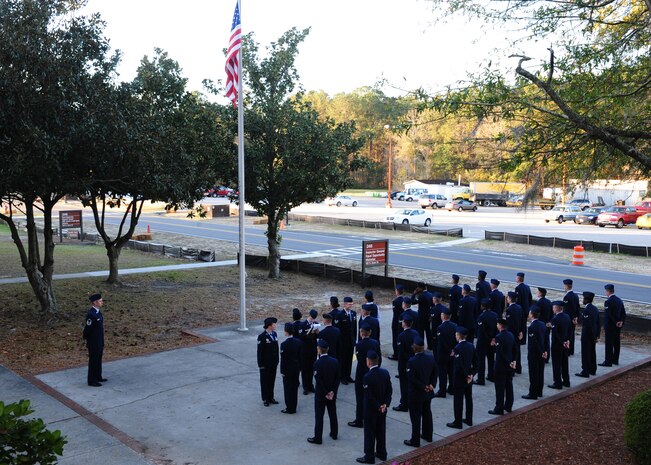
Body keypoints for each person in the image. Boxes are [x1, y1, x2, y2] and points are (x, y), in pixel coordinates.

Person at [356, 350, 392, 464]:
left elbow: (369, 397)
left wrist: (378, 406)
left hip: (371, 410)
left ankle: (369, 456)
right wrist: (385, 404)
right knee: (381, 431)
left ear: (369, 362)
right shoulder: (385, 373)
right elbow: (389, 391)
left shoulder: (367, 377)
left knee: (370, 433)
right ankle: (382, 453)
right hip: (383, 409)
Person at [404, 336, 437, 448]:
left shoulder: (412, 361)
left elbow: (411, 378)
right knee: (427, 413)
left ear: (414, 348)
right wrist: (431, 385)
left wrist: (423, 387)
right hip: (427, 392)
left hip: (416, 394)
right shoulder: (431, 358)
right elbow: (434, 373)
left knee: (416, 417)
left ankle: (415, 440)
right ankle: (428, 435)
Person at [349, 323, 381, 429]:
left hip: (362, 373)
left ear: (362, 332)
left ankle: (359, 419)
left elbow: (360, 360)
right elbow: (379, 358)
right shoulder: (375, 343)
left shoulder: (359, 345)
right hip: (374, 372)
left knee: (360, 398)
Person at [308, 339, 340, 445]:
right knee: (332, 413)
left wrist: (326, 392)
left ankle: (318, 437)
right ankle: (334, 433)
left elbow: (319, 381)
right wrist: (332, 392)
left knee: (319, 416)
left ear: (318, 350)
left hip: (321, 395)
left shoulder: (317, 363)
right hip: (332, 394)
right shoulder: (334, 361)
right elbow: (337, 378)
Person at [447, 327, 478, 429]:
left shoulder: (458, 348)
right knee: (468, 398)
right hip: (469, 377)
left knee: (458, 400)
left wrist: (466, 376)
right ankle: (469, 419)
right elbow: (476, 363)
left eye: (456, 335)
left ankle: (458, 422)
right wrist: (471, 375)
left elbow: (459, 366)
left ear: (459, 336)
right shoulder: (471, 346)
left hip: (460, 378)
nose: (455, 336)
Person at [489, 318, 516, 415]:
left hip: (501, 366)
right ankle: (508, 406)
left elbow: (500, 352)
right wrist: (513, 361)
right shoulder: (511, 335)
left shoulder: (499, 337)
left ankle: (499, 408)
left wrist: (508, 362)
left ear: (500, 325)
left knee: (500, 388)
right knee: (509, 385)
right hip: (510, 366)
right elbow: (515, 349)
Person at [393, 313, 418, 412]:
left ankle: (404, 404)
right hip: (414, 362)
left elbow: (401, 353)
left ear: (404, 324)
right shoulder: (415, 333)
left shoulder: (401, 336)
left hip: (405, 364)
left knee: (404, 384)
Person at [83, 293, 106, 387]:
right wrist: (89, 340)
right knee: (93, 360)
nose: (102, 302)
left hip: (99, 341)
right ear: (94, 302)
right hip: (93, 342)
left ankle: (98, 376)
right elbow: (87, 329)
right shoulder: (91, 315)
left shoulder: (98, 313)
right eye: (100, 301)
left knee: (98, 359)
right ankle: (92, 380)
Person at [522, 309, 547, 400]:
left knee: (533, 374)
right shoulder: (542, 324)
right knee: (540, 373)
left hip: (534, 354)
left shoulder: (532, 327)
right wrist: (545, 351)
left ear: (532, 315)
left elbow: (534, 342)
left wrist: (541, 352)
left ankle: (533, 393)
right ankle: (539, 391)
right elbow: (546, 339)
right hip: (542, 353)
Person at [600, 284, 626, 367]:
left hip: (611, 326)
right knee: (616, 343)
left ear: (608, 291)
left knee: (609, 344)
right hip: (618, 326)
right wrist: (621, 321)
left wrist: (615, 322)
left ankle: (608, 361)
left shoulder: (608, 301)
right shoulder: (619, 300)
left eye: (606, 291)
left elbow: (609, 315)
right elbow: (623, 312)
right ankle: (615, 360)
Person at [577, 291, 601, 378]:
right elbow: (598, 323)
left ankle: (585, 371)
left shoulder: (587, 310)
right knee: (592, 352)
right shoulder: (595, 308)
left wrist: (592, 336)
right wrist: (597, 335)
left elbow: (588, 325)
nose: (583, 300)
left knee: (586, 353)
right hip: (593, 335)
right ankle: (592, 369)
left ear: (586, 299)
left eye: (583, 298)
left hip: (587, 335)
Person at [280, 322, 303, 413]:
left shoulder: (284, 344)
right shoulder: (298, 342)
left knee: (288, 389)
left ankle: (289, 407)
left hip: (287, 369)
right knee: (294, 388)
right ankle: (294, 406)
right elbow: (300, 356)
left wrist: (282, 371)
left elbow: (283, 359)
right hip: (296, 368)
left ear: (286, 332)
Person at [548, 301, 571, 390]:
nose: (553, 309)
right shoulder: (567, 316)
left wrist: (562, 342)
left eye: (554, 307)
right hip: (565, 344)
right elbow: (570, 330)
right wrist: (567, 341)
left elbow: (556, 334)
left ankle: (557, 382)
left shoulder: (555, 319)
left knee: (557, 364)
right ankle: (566, 381)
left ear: (557, 308)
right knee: (565, 362)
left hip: (557, 345)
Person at [435, 308, 457, 398]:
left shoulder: (440, 328)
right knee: (451, 371)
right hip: (452, 353)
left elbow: (441, 342)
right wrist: (453, 350)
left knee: (442, 373)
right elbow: (456, 339)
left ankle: (442, 391)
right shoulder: (455, 325)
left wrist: (448, 350)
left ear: (443, 316)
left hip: (443, 354)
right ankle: (452, 389)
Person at [257, 317, 280, 406]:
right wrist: (261, 364)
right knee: (265, 381)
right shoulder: (262, 337)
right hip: (265, 364)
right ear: (269, 325)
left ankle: (271, 397)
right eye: (274, 324)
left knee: (271, 380)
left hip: (273, 363)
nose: (275, 325)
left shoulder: (274, 334)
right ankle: (265, 398)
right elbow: (260, 352)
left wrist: (277, 360)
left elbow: (276, 348)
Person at [475, 298, 498, 385]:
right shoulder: (495, 315)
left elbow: (482, 331)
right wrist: (493, 339)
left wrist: (489, 339)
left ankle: (481, 379)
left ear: (483, 306)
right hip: (492, 341)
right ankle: (491, 376)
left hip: (482, 342)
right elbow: (497, 328)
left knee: (481, 361)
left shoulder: (481, 317)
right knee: (491, 359)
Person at [339, 296, 358, 384]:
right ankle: (342, 377)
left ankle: (348, 375)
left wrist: (355, 340)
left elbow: (354, 328)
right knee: (343, 360)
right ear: (345, 304)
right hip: (343, 342)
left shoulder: (353, 314)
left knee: (349, 359)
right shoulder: (340, 315)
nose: (351, 305)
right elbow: (339, 330)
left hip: (351, 341)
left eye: (352, 304)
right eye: (349, 304)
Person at [300, 309, 319, 394]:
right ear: (309, 316)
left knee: (312, 368)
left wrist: (317, 333)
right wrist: (309, 333)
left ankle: (310, 385)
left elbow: (317, 336)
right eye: (312, 318)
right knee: (305, 369)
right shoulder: (303, 325)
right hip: (305, 350)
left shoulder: (315, 324)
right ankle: (305, 387)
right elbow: (301, 336)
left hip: (313, 349)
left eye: (314, 318)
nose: (313, 320)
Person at [533, 287, 553, 364]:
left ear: (541, 293)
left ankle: (542, 356)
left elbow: (537, 314)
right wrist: (549, 322)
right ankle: (547, 357)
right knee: (546, 341)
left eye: (538, 292)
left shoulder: (539, 303)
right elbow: (551, 314)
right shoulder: (549, 302)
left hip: (541, 324)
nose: (537, 293)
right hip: (547, 324)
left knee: (540, 341)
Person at [505, 291, 523, 374]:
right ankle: (518, 368)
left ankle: (512, 369)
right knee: (517, 351)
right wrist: (521, 332)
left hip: (512, 333)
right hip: (518, 333)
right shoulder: (519, 307)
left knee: (511, 351)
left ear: (509, 299)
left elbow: (509, 324)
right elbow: (522, 320)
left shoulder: (509, 309)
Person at [562, 278, 580, 356]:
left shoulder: (567, 297)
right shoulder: (575, 295)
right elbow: (577, 308)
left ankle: (568, 350)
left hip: (568, 319)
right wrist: (575, 317)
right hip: (573, 318)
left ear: (566, 286)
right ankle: (571, 350)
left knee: (567, 334)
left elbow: (567, 310)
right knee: (572, 334)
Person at [414, 282, 433, 350]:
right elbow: (432, 306)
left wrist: (414, 294)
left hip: (421, 316)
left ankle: (421, 346)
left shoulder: (421, 296)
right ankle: (430, 346)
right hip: (428, 316)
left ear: (420, 288)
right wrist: (431, 315)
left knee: (421, 332)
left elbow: (412, 302)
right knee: (428, 331)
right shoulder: (430, 294)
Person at [514, 272, 532, 345]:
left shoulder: (518, 288)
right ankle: (523, 340)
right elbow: (530, 298)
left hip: (520, 310)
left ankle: (520, 339)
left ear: (518, 279)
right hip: (526, 309)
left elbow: (518, 300)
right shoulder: (527, 287)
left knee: (519, 325)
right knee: (524, 325)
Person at [390, 284, 405, 360]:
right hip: (403, 321)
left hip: (396, 322)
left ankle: (396, 354)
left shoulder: (395, 301)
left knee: (395, 338)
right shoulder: (404, 300)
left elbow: (395, 314)